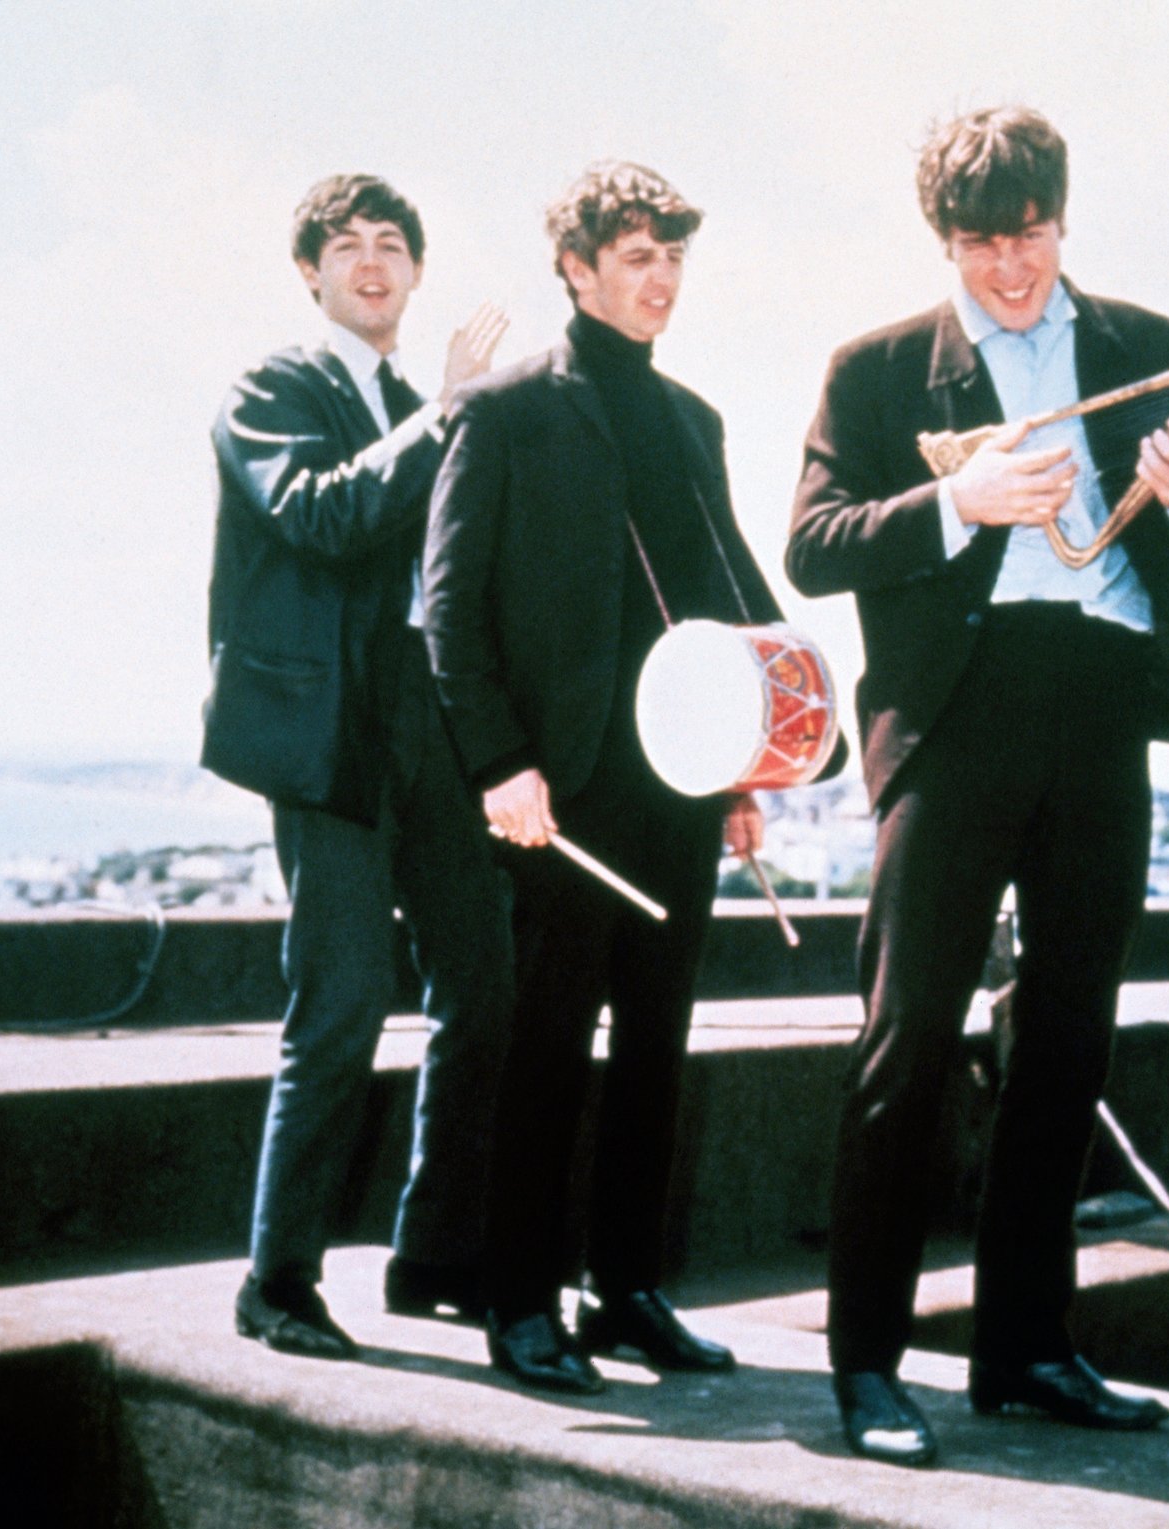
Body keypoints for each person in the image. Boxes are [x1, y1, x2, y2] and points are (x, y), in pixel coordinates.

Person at [787, 105, 1169, 1467]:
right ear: (943, 241)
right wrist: (955, 504)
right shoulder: (873, 372)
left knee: (1068, 1037)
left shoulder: (1146, 348)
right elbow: (810, 547)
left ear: (1063, 218)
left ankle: (1027, 1347)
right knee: (907, 1033)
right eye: (979, 245)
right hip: (953, 719)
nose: (1010, 269)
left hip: (1103, 700)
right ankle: (867, 1365)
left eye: (1029, 236)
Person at [425, 161, 811, 1395]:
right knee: (546, 1044)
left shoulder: (693, 419)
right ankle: (521, 1299)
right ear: (577, 270)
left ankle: (628, 1289)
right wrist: (500, 763)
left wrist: (751, 765)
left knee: (658, 1042)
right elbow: (446, 610)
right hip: (563, 792)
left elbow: (724, 592)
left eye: (672, 258)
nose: (661, 281)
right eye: (636, 258)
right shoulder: (504, 409)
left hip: (680, 786)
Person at [203, 173, 513, 1358]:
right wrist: (443, 416)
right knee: (336, 1006)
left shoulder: (442, 406)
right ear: (312, 273)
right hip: (330, 743)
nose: (374, 263)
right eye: (349, 247)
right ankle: (276, 1282)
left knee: (485, 985)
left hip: (432, 736)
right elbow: (322, 517)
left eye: (394, 245)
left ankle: (433, 1255)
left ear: (418, 272)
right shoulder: (273, 388)